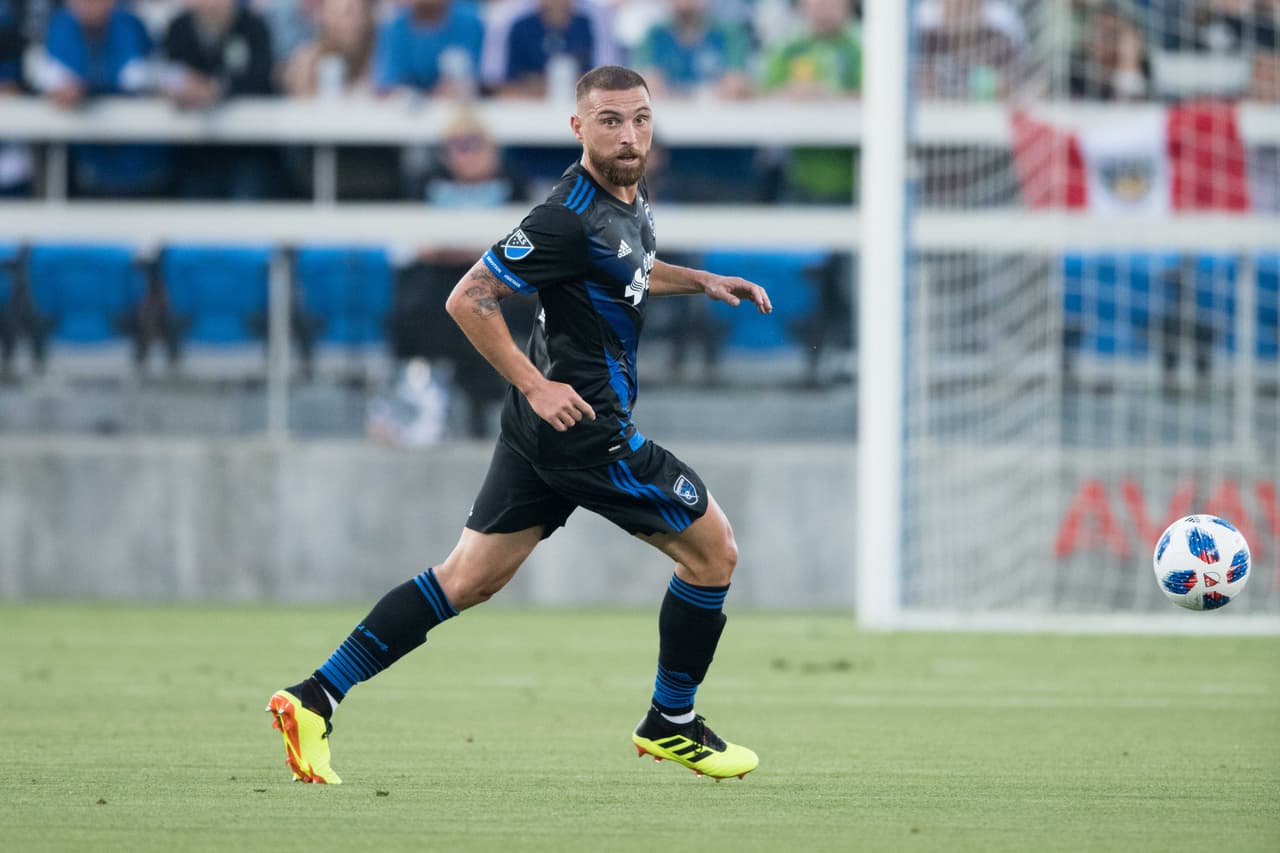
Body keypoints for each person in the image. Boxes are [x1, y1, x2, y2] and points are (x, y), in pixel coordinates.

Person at [267, 65, 769, 784]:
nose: (628, 135)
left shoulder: (627, 195)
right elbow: (468, 298)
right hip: (586, 430)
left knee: (465, 578)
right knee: (715, 552)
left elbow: (626, 267)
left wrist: (702, 282)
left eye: (640, 119)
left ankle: (314, 696)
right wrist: (535, 385)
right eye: (609, 121)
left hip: (541, 435)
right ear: (577, 127)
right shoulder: (565, 214)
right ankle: (672, 719)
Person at [38, 0, 173, 198]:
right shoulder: (61, 27)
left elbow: (132, 77)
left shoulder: (130, 25)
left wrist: (87, 90)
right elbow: (56, 81)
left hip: (144, 167)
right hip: (90, 169)